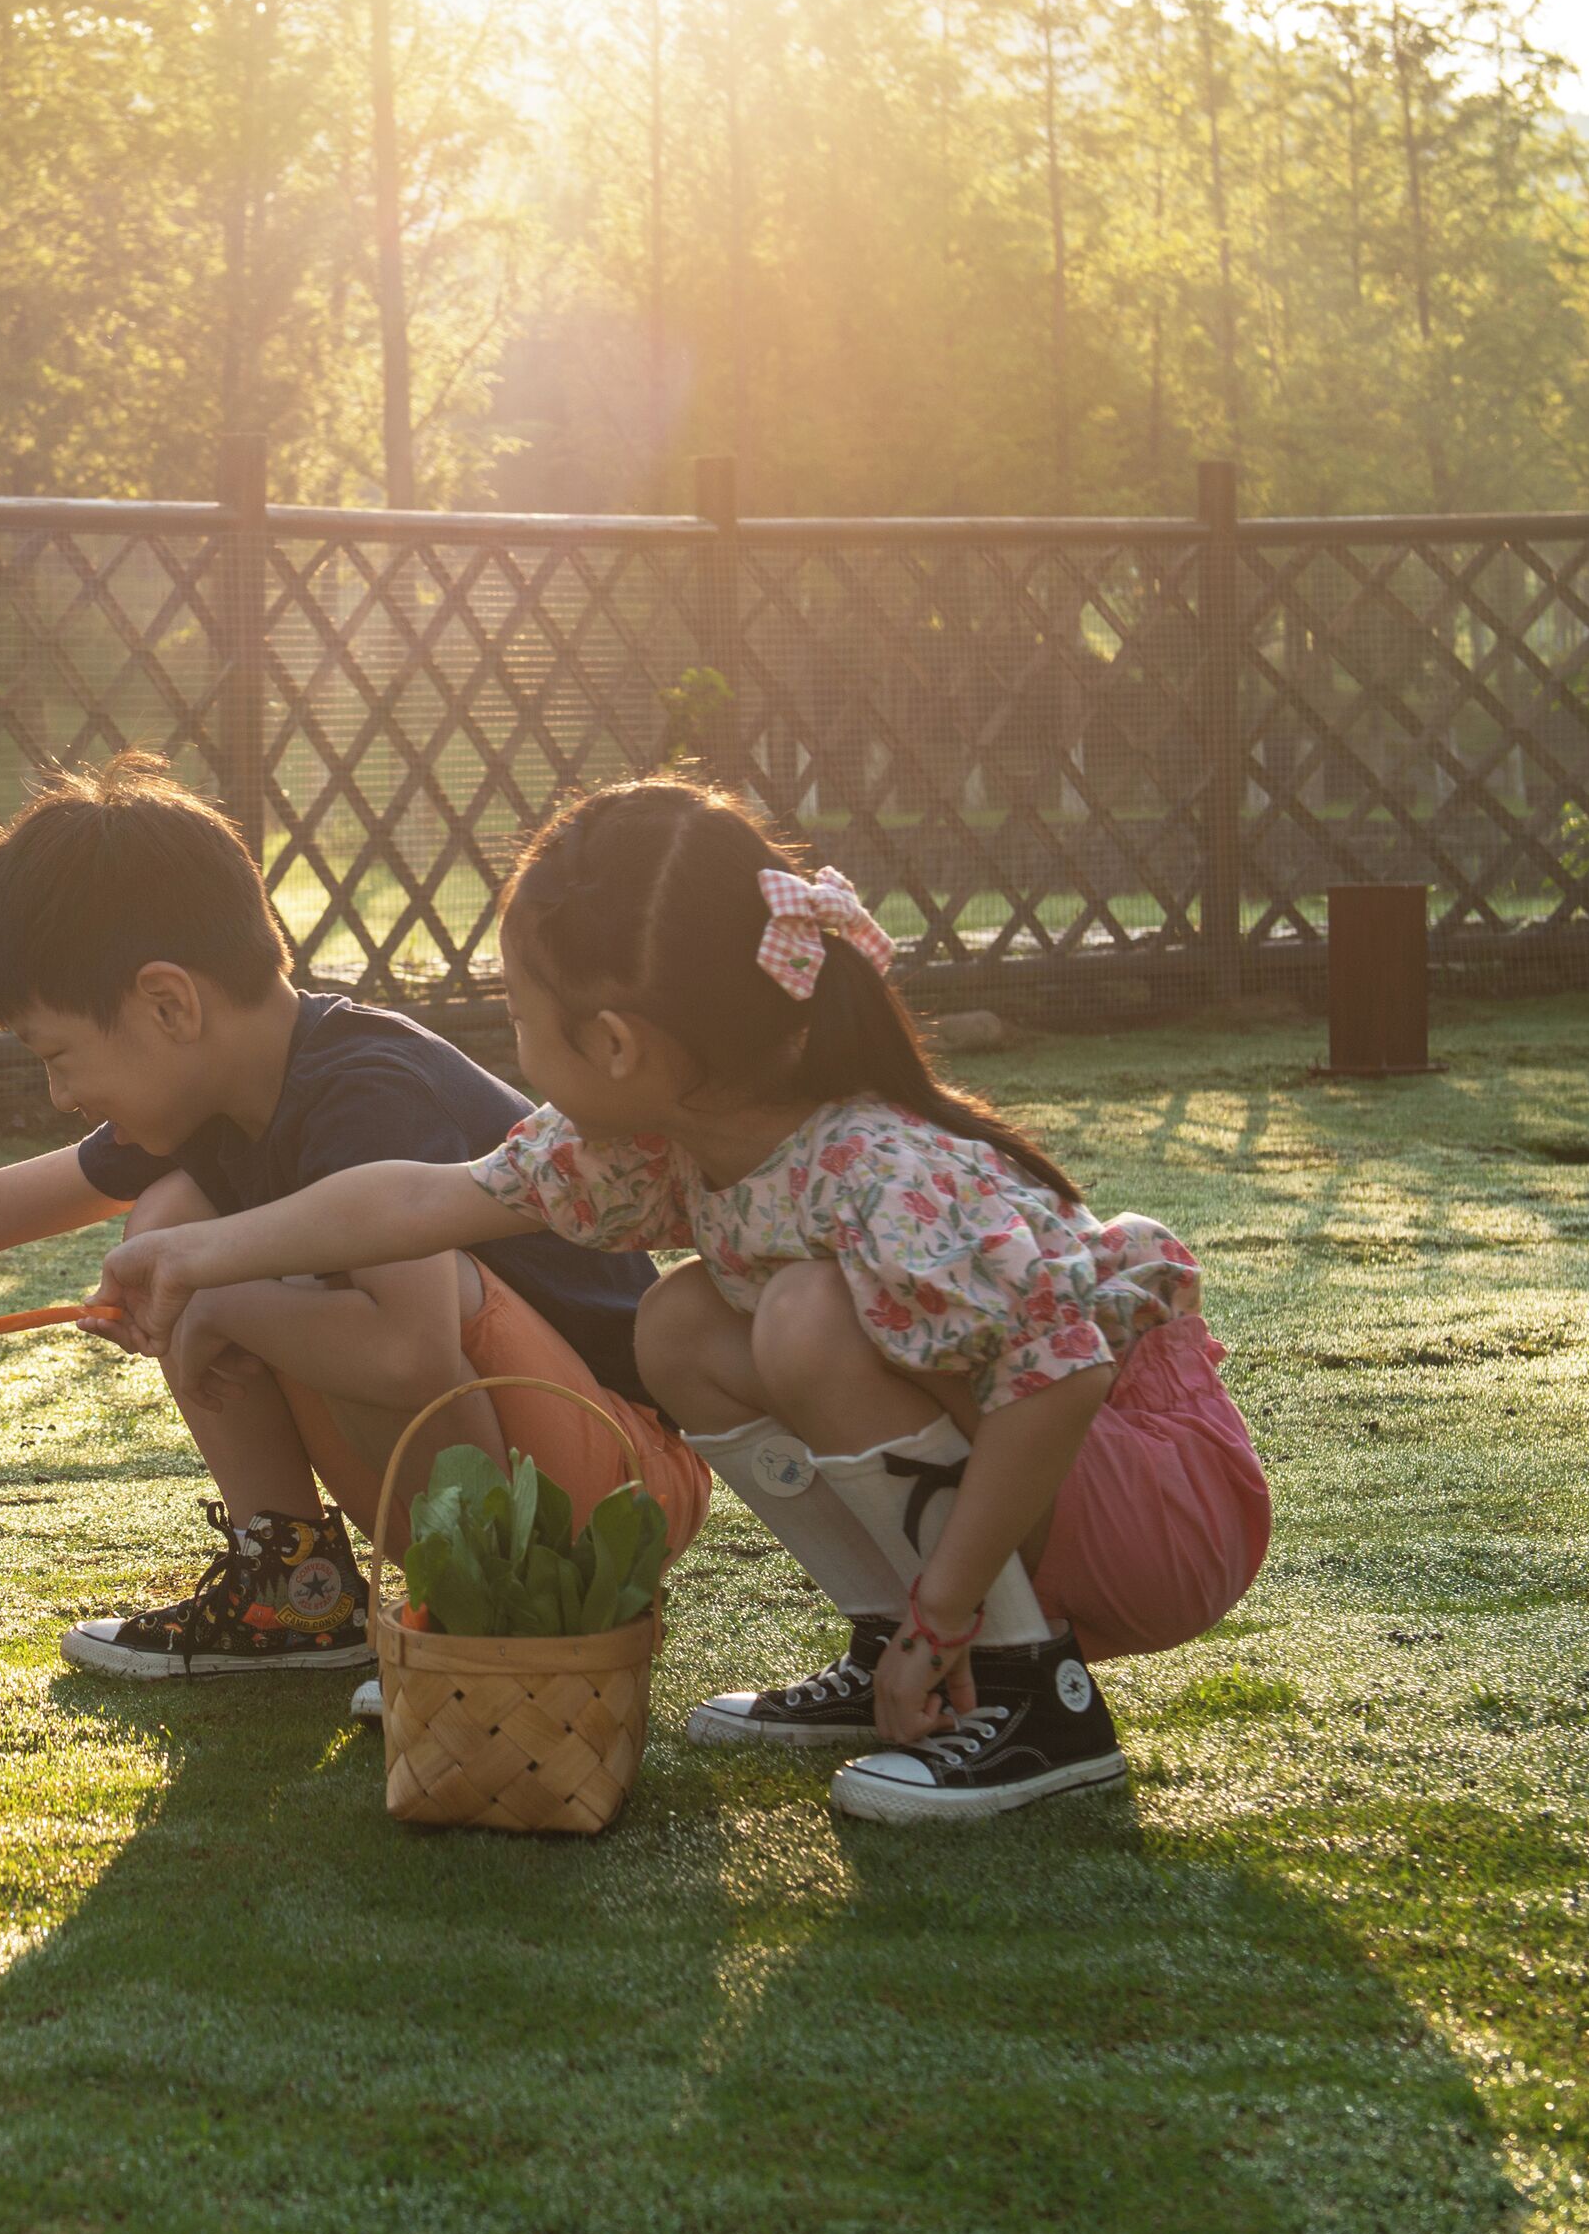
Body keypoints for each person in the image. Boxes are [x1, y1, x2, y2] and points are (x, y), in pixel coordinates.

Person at [100, 778, 1268, 1824]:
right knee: (682, 1324)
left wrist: (952, 1607)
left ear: (613, 1042)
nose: (505, 1033)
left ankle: (1032, 1698)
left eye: (517, 1011)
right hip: (1039, 1493)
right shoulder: (655, 1144)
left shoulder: (877, 1168)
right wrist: (205, 1253)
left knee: (804, 1316)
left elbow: (1060, 1376)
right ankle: (890, 1652)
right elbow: (419, 1201)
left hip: (1146, 1499)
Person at [0, 755, 707, 1687]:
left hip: (610, 1478)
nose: (60, 1096)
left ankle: (492, 1626)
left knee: (276, 1252)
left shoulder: (365, 1092)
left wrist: (220, 1291)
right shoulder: (211, 1101)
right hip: (500, 1453)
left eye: (60, 1056)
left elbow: (414, 1342)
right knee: (175, 1212)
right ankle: (297, 1592)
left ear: (168, 1004)